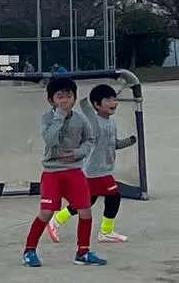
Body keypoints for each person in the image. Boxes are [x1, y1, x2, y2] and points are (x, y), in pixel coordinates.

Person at [22, 76, 106, 267]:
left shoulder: (81, 119)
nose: (65, 100)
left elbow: (90, 140)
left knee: (85, 211)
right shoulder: (47, 118)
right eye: (60, 96)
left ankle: (83, 252)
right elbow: (50, 140)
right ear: (51, 100)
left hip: (74, 171)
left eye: (69, 96)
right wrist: (59, 116)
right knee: (46, 212)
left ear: (74, 98)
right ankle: (29, 251)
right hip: (52, 173)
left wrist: (78, 153)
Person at [47, 83, 138, 244]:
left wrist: (128, 142)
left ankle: (57, 219)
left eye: (114, 99)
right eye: (107, 100)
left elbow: (113, 144)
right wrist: (83, 101)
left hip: (103, 169)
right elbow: (88, 115)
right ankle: (106, 231)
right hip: (95, 171)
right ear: (96, 104)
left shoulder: (111, 123)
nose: (113, 103)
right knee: (113, 197)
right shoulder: (94, 123)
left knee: (87, 202)